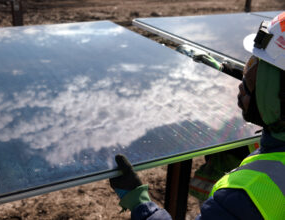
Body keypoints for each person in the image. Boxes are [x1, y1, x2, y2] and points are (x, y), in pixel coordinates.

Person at [109, 12, 285, 220]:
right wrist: (221, 71)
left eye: (255, 72)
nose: (243, 83)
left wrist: (139, 202)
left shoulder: (248, 195)